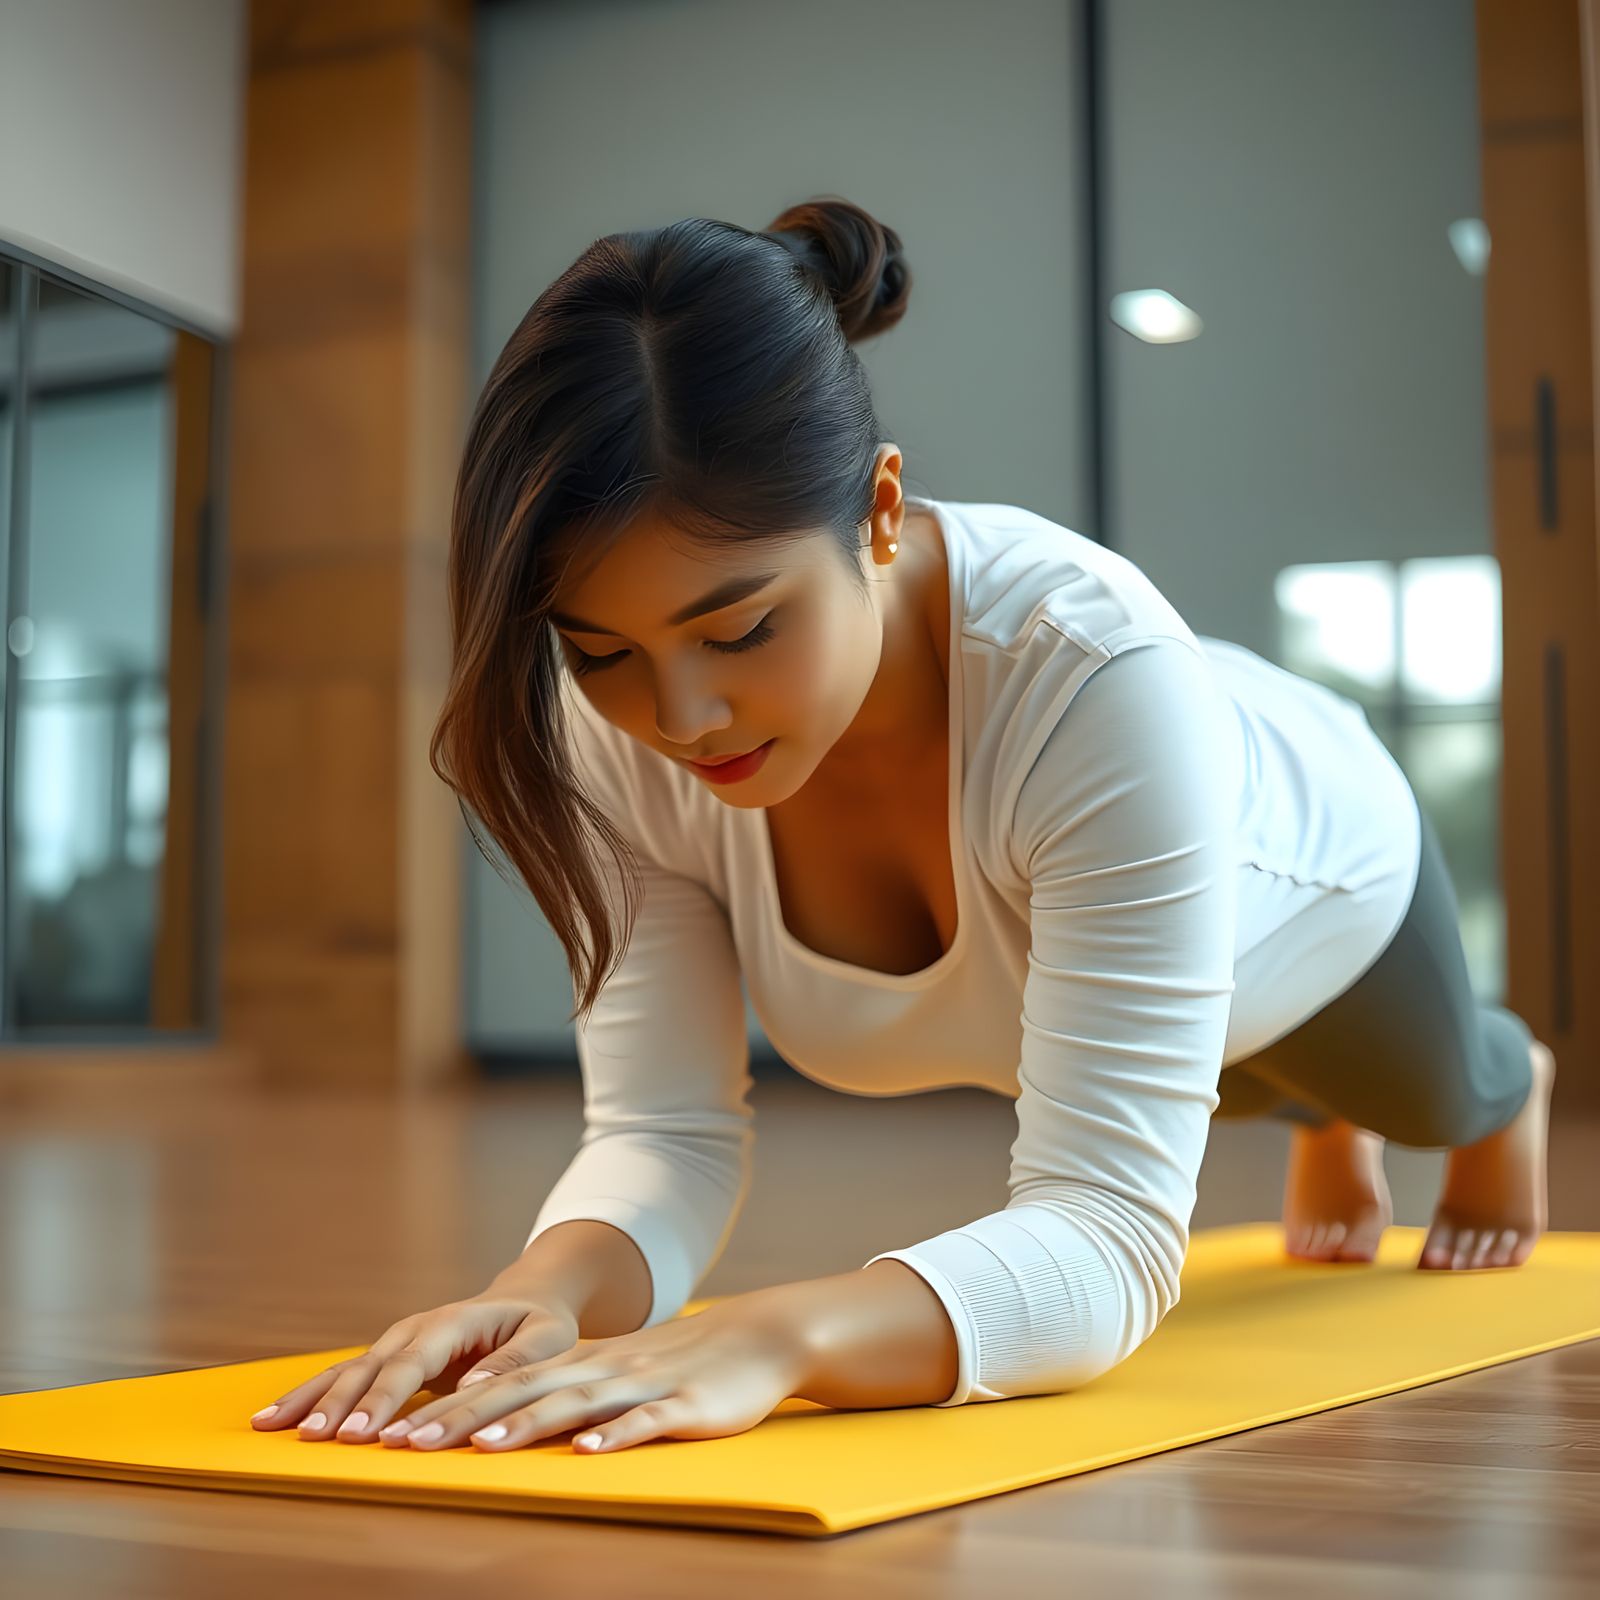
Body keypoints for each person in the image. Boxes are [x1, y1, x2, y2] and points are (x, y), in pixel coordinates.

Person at [254, 196, 1554, 1453]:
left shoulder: (1096, 679)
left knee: (1427, 1089)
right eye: (602, 651)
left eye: (742, 628)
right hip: (1138, 936)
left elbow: (1109, 1231)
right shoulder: (618, 734)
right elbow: (661, 1132)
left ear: (880, 513)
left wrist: (774, 1338)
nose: (681, 716)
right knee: (1226, 1077)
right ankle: (1319, 1116)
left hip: (1319, 870)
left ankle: (1505, 1088)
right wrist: (543, 1291)